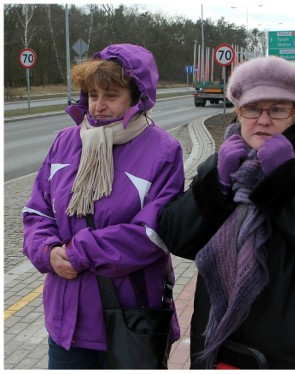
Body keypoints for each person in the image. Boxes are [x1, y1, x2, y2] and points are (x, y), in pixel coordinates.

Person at [22, 43, 184, 369]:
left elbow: (153, 232)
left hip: (130, 319)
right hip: (66, 322)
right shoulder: (65, 142)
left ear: (137, 97)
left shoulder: (163, 151)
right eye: (93, 95)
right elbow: (37, 211)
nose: (98, 106)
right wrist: (48, 252)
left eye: (111, 95)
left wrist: (80, 253)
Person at [157, 56, 295, 369]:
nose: (264, 120)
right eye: (253, 108)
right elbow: (175, 236)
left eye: (278, 109)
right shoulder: (228, 161)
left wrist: (286, 178)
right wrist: (215, 182)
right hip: (218, 344)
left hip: (287, 352)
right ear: (239, 112)